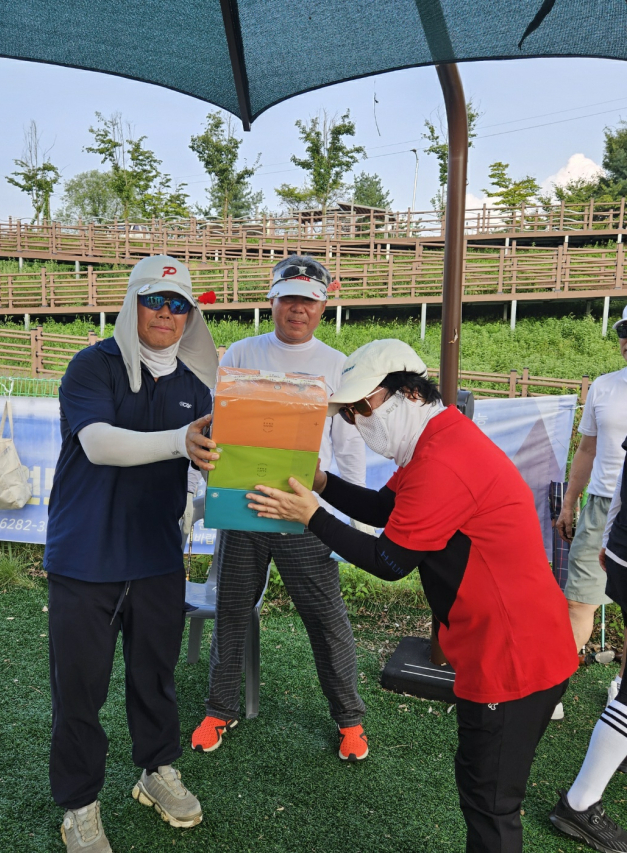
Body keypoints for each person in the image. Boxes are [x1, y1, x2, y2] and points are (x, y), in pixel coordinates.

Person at [246, 338, 579, 853]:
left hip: (511, 654)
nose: (356, 421)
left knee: (490, 801)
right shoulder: (438, 439)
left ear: (410, 393)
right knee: (483, 787)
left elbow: (390, 561)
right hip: (506, 638)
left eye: (361, 407)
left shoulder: (443, 460)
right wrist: (323, 482)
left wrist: (310, 515)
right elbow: (385, 509)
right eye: (348, 412)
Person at [44, 255, 221, 853]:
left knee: (156, 677)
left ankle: (156, 771)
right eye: (155, 300)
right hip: (84, 557)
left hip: (157, 557)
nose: (167, 314)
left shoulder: (199, 386)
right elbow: (97, 444)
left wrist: (211, 493)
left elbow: (210, 466)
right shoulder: (91, 366)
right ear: (131, 303)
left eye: (179, 304)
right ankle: (79, 806)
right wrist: (180, 442)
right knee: (80, 689)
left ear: (190, 315)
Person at [191, 255, 370, 762]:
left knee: (326, 620)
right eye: (288, 298)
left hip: (304, 514)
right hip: (242, 509)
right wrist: (201, 478)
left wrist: (347, 519)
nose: (298, 309)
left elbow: (349, 446)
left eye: (308, 301)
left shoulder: (338, 365)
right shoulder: (242, 353)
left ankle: (350, 720)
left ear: (323, 305)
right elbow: (214, 426)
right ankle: (219, 709)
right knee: (230, 612)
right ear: (271, 300)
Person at [550, 447, 627, 852]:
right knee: (577, 607)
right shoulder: (608, 390)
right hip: (614, 531)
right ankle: (580, 802)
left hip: (618, 537)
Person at [555, 306, 627, 718]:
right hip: (600, 505)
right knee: (578, 603)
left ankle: (623, 692)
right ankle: (554, 685)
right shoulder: (604, 386)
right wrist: (569, 503)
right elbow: (587, 448)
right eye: (624, 331)